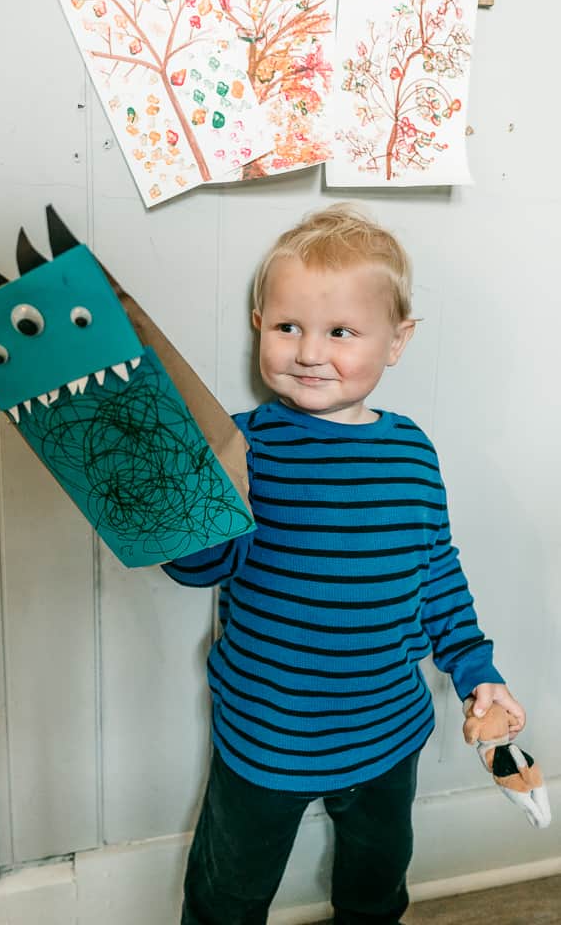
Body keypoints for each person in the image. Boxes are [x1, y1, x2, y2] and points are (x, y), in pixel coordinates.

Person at [162, 203, 525, 925]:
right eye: (286, 326)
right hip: (265, 736)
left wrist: (475, 668)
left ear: (397, 341)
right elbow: (199, 568)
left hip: (387, 733)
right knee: (228, 894)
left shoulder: (411, 451)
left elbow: (436, 570)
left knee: (374, 888)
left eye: (341, 332)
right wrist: (178, 505)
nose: (307, 352)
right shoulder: (241, 448)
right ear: (257, 325)